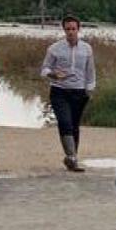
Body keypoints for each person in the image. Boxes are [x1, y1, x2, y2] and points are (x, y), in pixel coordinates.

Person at [40, 16, 95, 172]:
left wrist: (90, 88)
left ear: (79, 29)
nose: (71, 32)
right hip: (59, 91)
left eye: (73, 29)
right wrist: (54, 74)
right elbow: (44, 70)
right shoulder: (54, 48)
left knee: (74, 125)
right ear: (63, 29)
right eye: (68, 29)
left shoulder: (87, 49)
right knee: (65, 122)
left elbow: (90, 71)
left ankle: (72, 157)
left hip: (79, 91)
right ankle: (71, 157)